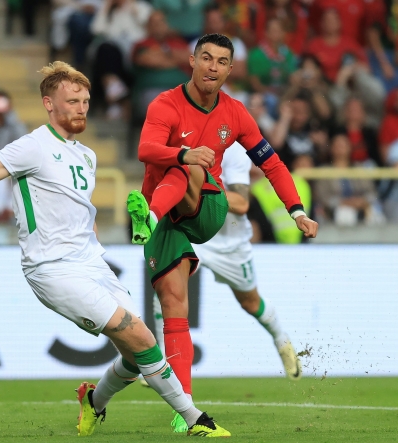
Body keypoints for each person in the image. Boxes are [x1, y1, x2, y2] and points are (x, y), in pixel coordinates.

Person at [0, 61, 232, 437]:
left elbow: (77, 208)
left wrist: (90, 237)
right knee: (141, 337)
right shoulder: (32, 147)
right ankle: (195, 420)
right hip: (52, 268)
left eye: (86, 101)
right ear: (49, 103)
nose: (82, 108)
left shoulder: (87, 156)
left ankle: (92, 403)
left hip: (91, 261)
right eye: (73, 101)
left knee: (134, 353)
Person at [125, 33, 318, 430]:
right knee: (173, 304)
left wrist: (296, 210)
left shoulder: (235, 119)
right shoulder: (165, 104)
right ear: (192, 61)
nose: (213, 66)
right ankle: (181, 411)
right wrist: (183, 153)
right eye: (206, 58)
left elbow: (271, 167)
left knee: (192, 168)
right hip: (169, 217)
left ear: (230, 70)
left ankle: (282, 341)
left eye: (222, 61)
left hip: (214, 218)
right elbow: (145, 150)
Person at [150, 143, 303, 433]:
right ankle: (171, 378)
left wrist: (200, 188)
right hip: (191, 233)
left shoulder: (231, 149)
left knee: (250, 301)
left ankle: (281, 339)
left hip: (229, 243)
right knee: (168, 292)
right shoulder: (179, 140)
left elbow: (242, 203)